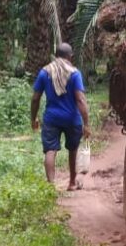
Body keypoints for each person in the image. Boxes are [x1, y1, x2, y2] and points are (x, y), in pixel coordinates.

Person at [31, 43, 90, 190]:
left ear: (56, 55)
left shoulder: (45, 72)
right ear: (70, 56)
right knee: (73, 149)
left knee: (50, 150)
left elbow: (35, 98)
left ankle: (51, 187)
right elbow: (80, 99)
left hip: (51, 119)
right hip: (72, 119)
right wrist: (86, 123)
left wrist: (34, 118)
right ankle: (71, 183)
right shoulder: (74, 73)